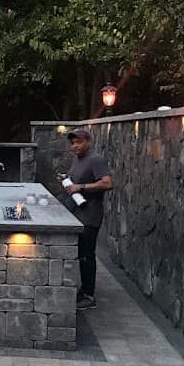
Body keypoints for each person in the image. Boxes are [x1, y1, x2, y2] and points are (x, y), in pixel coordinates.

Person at [62, 128, 113, 309]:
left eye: (79, 142)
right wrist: (66, 180)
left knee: (87, 256)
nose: (75, 146)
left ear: (88, 141)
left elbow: (107, 183)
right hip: (77, 214)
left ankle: (89, 296)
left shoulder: (96, 159)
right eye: (73, 143)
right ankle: (83, 291)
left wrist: (80, 187)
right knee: (80, 255)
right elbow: (75, 182)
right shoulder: (77, 159)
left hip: (90, 216)